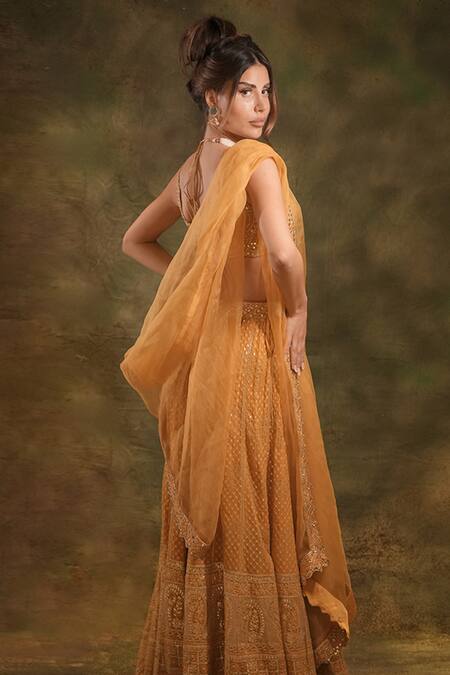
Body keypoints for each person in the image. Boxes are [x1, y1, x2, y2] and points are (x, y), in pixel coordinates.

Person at [120, 15, 357, 675]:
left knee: (221, 498)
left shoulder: (193, 170)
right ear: (212, 97)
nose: (261, 105)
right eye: (246, 91)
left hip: (203, 360)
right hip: (253, 351)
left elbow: (135, 240)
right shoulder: (257, 163)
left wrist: (195, 287)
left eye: (266, 90)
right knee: (252, 497)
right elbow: (282, 253)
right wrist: (299, 308)